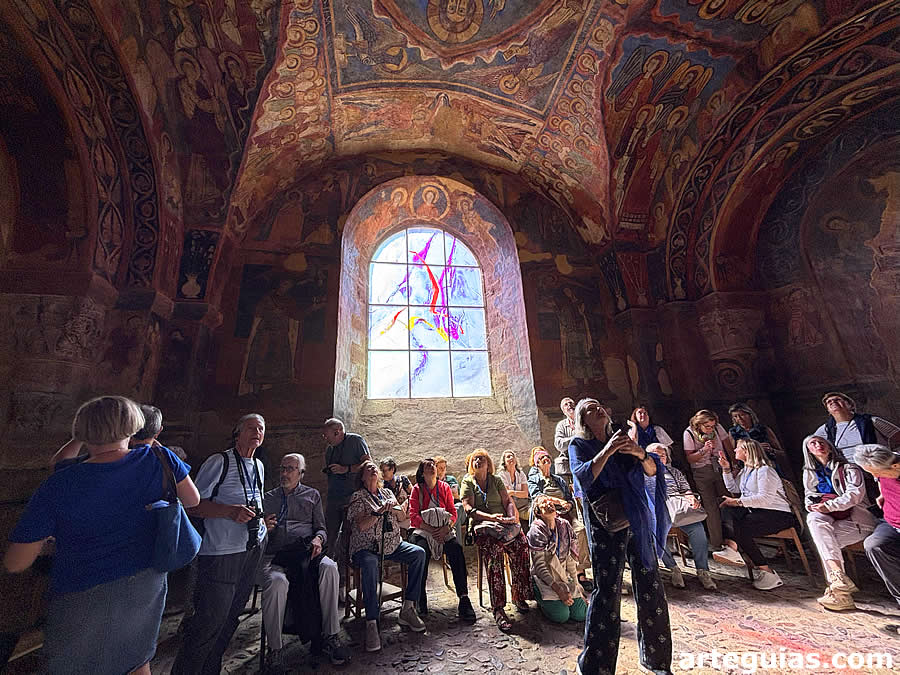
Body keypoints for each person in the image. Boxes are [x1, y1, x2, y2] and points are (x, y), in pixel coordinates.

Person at [4, 396, 199, 675]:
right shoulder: (160, 459)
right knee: (136, 662)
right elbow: (192, 500)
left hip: (82, 590)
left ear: (82, 431)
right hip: (144, 585)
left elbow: (16, 562)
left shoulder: (62, 482)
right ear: (133, 427)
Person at [568, 398, 672, 675]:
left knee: (650, 583)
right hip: (605, 523)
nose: (597, 408)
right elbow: (582, 476)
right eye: (589, 408)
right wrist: (607, 450)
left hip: (635, 517)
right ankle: (595, 666)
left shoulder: (624, 439)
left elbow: (651, 470)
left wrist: (639, 453)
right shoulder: (578, 445)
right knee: (608, 590)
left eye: (598, 405)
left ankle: (657, 660)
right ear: (583, 421)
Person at [173, 413, 268, 675]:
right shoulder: (220, 461)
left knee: (230, 618)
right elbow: (193, 505)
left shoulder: (258, 466)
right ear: (237, 432)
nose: (257, 432)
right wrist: (229, 512)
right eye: (251, 427)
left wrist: (261, 527)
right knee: (208, 621)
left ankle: (210, 668)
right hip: (221, 553)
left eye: (261, 428)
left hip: (250, 549)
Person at [260, 453, 349, 670]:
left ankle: (331, 635)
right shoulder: (268, 498)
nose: (284, 473)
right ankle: (275, 650)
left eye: (290, 469)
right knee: (277, 582)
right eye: (282, 468)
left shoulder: (312, 495)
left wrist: (318, 539)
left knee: (330, 568)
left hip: (305, 553)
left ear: (301, 473)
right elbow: (253, 534)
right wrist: (263, 527)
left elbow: (321, 528)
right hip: (276, 556)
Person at [347, 460, 426, 652]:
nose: (373, 469)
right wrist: (378, 512)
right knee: (369, 563)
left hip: (392, 545)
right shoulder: (358, 497)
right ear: (362, 477)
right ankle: (372, 622)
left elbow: (400, 517)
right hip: (366, 548)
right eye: (368, 468)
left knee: (419, 554)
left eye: (374, 467)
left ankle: (407, 608)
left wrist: (394, 507)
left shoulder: (387, 493)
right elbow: (362, 525)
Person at [460, 448, 533, 632]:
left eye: (482, 459)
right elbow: (468, 509)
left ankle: (518, 595)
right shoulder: (468, 482)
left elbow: (508, 501)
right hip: (482, 527)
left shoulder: (496, 480)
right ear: (471, 464)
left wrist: (510, 517)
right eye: (475, 459)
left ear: (488, 463)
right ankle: (498, 608)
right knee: (495, 553)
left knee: (522, 545)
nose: (478, 462)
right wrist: (492, 519)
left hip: (502, 523)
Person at [801, 436, 875, 611]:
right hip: (832, 522)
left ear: (830, 446)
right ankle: (839, 583)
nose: (818, 445)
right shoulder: (810, 472)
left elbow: (855, 495)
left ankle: (838, 590)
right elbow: (808, 496)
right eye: (813, 443)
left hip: (857, 522)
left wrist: (828, 505)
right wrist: (813, 505)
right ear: (808, 450)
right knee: (813, 519)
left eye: (821, 442)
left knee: (824, 543)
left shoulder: (849, 468)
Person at [714, 439, 795, 590]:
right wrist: (726, 470)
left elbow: (765, 499)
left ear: (747, 451)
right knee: (727, 508)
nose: (734, 450)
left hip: (777, 514)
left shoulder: (765, 471)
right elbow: (734, 488)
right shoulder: (746, 471)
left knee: (740, 527)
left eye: (737, 448)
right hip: (757, 512)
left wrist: (738, 502)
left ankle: (767, 571)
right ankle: (732, 549)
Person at [407, 458, 476, 622]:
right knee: (420, 552)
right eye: (427, 466)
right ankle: (420, 598)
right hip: (424, 530)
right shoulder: (417, 490)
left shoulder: (444, 488)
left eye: (433, 466)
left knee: (456, 549)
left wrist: (446, 528)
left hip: (443, 529)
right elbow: (413, 516)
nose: (432, 468)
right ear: (422, 473)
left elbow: (452, 512)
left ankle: (464, 598)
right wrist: (431, 529)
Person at [646, 443, 717, 590]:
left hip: (678, 508)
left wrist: (691, 498)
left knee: (698, 530)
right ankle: (673, 568)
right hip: (658, 509)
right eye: (655, 456)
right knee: (655, 533)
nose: (660, 458)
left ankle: (703, 570)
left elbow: (685, 489)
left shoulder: (674, 472)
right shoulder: (644, 474)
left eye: (663, 455)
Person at [527, 446, 592, 592]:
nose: (546, 459)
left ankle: (580, 572)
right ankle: (555, 574)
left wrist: (568, 504)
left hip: (564, 514)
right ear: (537, 463)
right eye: (542, 458)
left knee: (580, 530)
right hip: (547, 516)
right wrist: (558, 502)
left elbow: (569, 499)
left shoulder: (558, 480)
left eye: (547, 457)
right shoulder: (534, 480)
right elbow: (538, 497)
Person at [856, 444, 900, 635]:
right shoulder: (883, 466)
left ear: (895, 467)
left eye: (877, 473)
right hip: (890, 522)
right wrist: (883, 493)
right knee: (873, 545)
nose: (876, 476)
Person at [526, 495, 587, 624]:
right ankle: (539, 597)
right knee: (562, 616)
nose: (549, 503)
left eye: (550, 501)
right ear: (538, 512)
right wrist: (558, 590)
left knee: (581, 614)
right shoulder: (536, 531)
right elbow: (540, 567)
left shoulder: (564, 526)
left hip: (562, 575)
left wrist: (576, 585)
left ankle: (563, 599)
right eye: (543, 502)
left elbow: (570, 560)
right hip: (544, 578)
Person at [683, 409, 735, 550]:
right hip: (702, 471)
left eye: (712, 426)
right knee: (711, 507)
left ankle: (735, 540)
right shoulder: (688, 433)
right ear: (698, 425)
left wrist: (734, 463)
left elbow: (727, 444)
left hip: (720, 467)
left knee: (729, 501)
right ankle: (716, 543)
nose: (711, 429)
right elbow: (689, 458)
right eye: (707, 426)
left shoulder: (717, 427)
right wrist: (704, 450)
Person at [322, 418, 372, 562]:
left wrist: (347, 469)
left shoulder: (355, 441)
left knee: (348, 536)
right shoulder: (330, 449)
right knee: (329, 534)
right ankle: (327, 568)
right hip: (333, 498)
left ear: (337, 432)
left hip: (351, 498)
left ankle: (344, 573)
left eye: (327, 435)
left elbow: (368, 463)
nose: (324, 438)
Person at [813, 392, 900, 464]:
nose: (833, 402)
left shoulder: (870, 421)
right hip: (849, 473)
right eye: (829, 402)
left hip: (878, 465)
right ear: (828, 410)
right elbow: (811, 446)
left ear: (850, 405)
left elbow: (896, 434)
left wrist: (892, 455)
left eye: (837, 400)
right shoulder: (825, 429)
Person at [728, 403, 795, 482]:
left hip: (768, 465)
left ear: (750, 415)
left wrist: (770, 449)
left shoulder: (763, 429)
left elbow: (781, 452)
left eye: (742, 415)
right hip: (748, 468)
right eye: (735, 416)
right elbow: (733, 453)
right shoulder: (734, 432)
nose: (739, 419)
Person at [380, 456, 412, 530]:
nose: (382, 473)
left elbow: (413, 495)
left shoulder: (402, 479)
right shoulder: (383, 486)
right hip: (395, 519)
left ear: (392, 469)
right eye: (381, 471)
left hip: (408, 515)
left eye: (384, 471)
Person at [498, 449, 531, 521]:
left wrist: (512, 492)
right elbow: (507, 495)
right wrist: (515, 510)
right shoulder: (502, 475)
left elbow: (525, 494)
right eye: (508, 457)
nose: (511, 458)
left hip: (524, 506)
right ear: (504, 462)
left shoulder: (520, 474)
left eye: (512, 456)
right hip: (510, 507)